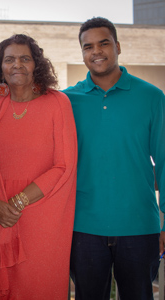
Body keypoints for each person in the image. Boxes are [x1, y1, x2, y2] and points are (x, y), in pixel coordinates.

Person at [63, 17, 165, 300]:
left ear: (118, 46)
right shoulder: (65, 102)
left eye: (103, 43)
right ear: (82, 53)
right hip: (83, 227)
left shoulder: (152, 97)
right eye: (88, 46)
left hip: (139, 225)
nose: (96, 51)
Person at [0, 34, 78, 299]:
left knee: (39, 286)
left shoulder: (58, 103)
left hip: (43, 216)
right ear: (0, 66)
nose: (17, 65)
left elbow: (64, 165)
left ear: (37, 64)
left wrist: (19, 202)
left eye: (25, 58)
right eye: (9, 59)